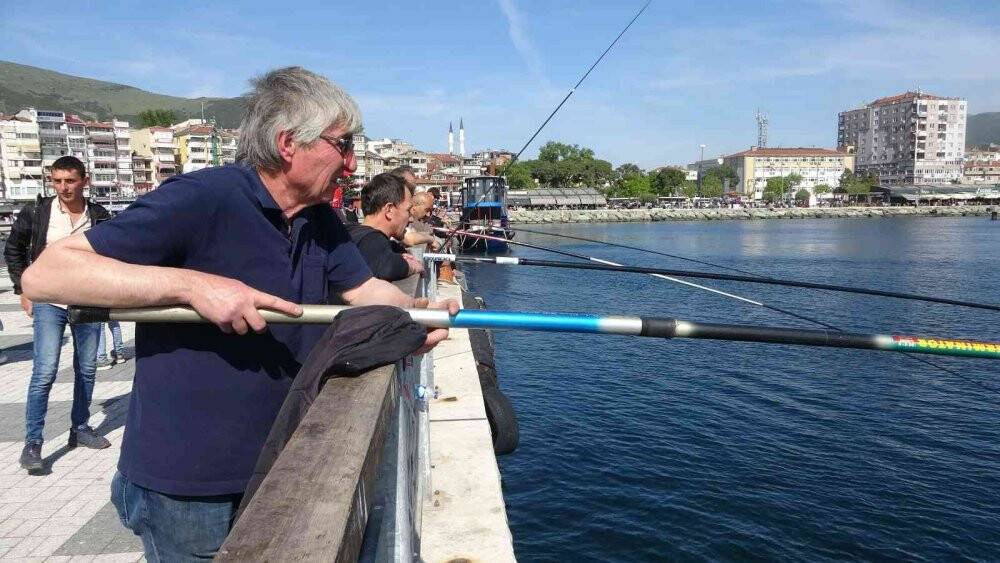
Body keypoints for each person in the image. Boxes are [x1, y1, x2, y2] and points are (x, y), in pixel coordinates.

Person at [20, 66, 457, 560]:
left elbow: (365, 289)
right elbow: (47, 275)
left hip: (284, 463)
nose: (353, 164)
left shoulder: (319, 219)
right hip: (189, 492)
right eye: (344, 144)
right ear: (289, 142)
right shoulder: (204, 196)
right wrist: (194, 285)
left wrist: (420, 313)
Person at [3, 156, 113, 471]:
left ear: (84, 180)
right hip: (49, 301)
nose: (63, 187)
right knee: (44, 372)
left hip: (87, 301)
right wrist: (23, 289)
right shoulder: (38, 213)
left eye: (70, 180)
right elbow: (14, 249)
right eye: (57, 180)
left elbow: (112, 255)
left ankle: (80, 428)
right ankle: (33, 442)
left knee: (87, 369)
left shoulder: (99, 215)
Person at [348, 173, 425, 281]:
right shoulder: (371, 239)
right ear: (389, 210)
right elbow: (386, 266)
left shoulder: (355, 234)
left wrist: (400, 255)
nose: (411, 218)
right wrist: (411, 266)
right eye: (408, 210)